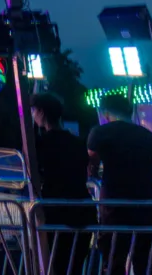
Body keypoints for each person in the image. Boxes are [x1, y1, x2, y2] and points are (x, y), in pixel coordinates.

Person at [88, 93, 152, 275]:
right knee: (146, 262)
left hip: (114, 207)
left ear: (105, 113)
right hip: (146, 207)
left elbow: (91, 164)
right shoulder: (150, 138)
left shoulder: (100, 132)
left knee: (113, 260)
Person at [31, 92, 95, 275]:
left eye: (33, 111)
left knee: (56, 265)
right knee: (74, 266)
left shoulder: (41, 145)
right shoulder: (77, 142)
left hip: (56, 212)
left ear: (41, 112)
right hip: (83, 210)